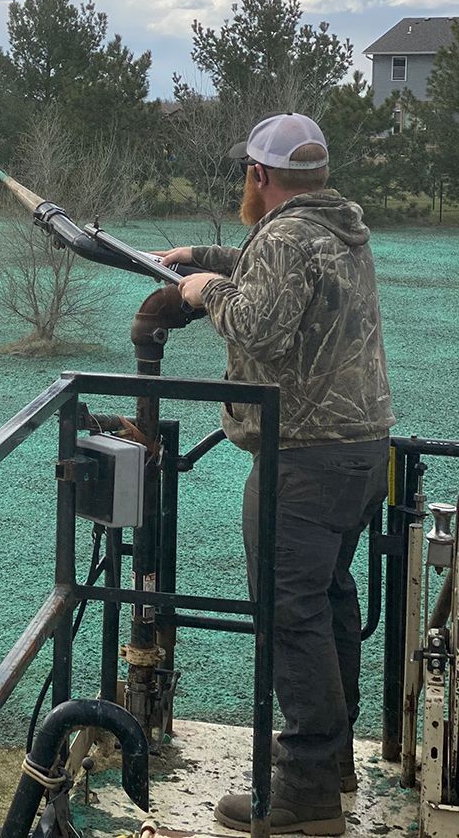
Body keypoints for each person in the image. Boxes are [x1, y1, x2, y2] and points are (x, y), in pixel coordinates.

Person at [156, 112, 394, 836]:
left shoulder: (287, 234)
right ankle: (335, 765)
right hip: (359, 453)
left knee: (291, 615)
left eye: (245, 175)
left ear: (260, 176)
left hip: (302, 460)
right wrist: (198, 255)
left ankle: (304, 796)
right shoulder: (336, 225)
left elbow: (258, 321)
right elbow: (271, 269)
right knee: (328, 600)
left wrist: (201, 292)